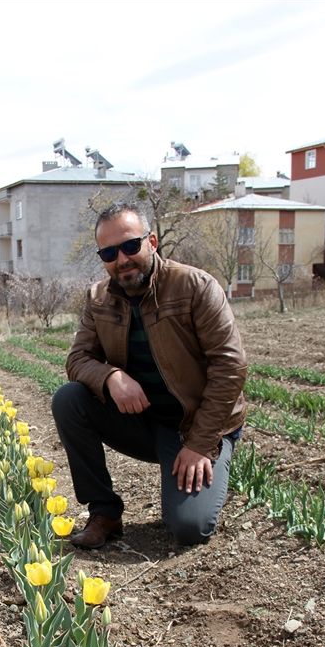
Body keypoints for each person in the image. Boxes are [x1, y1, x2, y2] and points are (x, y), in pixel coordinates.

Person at [51, 201, 247, 550]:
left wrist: (200, 444)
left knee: (189, 528)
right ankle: (105, 513)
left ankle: (211, 463)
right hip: (142, 422)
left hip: (193, 426)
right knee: (69, 399)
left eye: (130, 246)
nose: (121, 259)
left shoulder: (195, 287)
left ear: (151, 242)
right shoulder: (98, 299)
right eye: (109, 252)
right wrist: (112, 376)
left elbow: (230, 366)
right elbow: (78, 358)